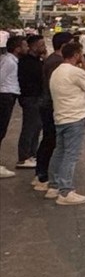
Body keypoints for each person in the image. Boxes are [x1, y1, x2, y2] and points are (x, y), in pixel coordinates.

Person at [46, 40, 85, 206]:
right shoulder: (76, 72)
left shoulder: (57, 71)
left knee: (60, 151)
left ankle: (53, 185)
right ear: (77, 55)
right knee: (71, 154)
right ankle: (66, 191)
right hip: (75, 117)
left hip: (61, 116)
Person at [33, 32, 71, 192]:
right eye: (71, 43)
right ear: (63, 46)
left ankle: (42, 174)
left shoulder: (53, 60)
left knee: (49, 140)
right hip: (51, 105)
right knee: (51, 141)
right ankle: (43, 176)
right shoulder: (57, 62)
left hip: (49, 104)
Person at [15, 34, 47, 169]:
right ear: (33, 46)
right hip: (30, 97)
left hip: (37, 97)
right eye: (42, 45)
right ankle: (23, 157)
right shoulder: (26, 62)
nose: (44, 48)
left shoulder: (37, 61)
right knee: (29, 127)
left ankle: (32, 154)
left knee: (36, 127)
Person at [0, 36, 26, 178]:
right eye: (25, 46)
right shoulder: (9, 61)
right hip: (5, 96)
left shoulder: (11, 60)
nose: (27, 48)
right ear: (17, 49)